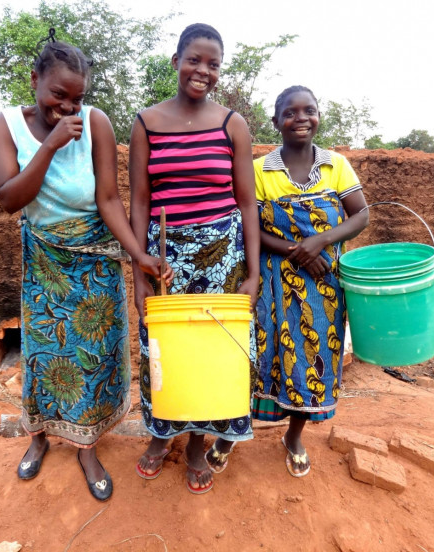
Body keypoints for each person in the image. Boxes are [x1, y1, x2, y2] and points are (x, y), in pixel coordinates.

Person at [0, 29, 172, 501]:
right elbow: (10, 199)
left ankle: (87, 447)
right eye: (57, 95)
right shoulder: (7, 125)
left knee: (92, 360)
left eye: (77, 98)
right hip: (45, 263)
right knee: (44, 354)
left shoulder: (97, 124)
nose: (68, 108)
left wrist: (140, 255)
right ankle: (39, 438)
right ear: (34, 81)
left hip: (95, 265)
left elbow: (109, 199)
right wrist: (49, 145)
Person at [128, 23, 260, 494]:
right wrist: (139, 271)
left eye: (213, 64)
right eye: (194, 60)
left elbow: (248, 203)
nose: (203, 71)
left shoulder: (232, 124)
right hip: (165, 258)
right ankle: (162, 435)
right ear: (175, 61)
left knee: (211, 351)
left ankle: (199, 443)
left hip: (224, 257)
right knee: (162, 350)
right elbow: (139, 202)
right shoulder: (146, 122)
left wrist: (254, 273)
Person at [251, 85, 369, 477]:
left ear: (319, 116)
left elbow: (360, 216)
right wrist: (295, 250)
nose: (301, 118)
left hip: (323, 285)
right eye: (290, 112)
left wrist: (320, 242)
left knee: (314, 358)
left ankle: (294, 436)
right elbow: (249, 225)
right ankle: (231, 435)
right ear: (275, 122)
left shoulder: (337, 165)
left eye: (309, 110)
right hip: (274, 283)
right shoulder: (259, 170)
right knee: (262, 357)